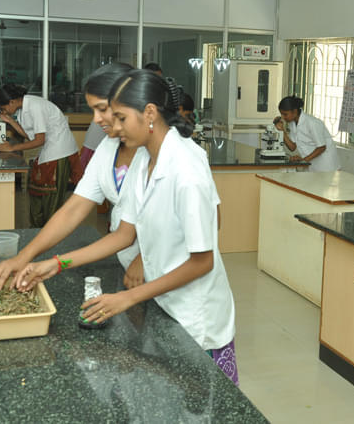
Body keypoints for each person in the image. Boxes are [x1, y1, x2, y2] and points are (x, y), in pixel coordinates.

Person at [15, 70, 237, 384]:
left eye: (118, 116)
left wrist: (127, 298)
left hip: (195, 313)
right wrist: (56, 263)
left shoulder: (186, 170)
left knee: (202, 405)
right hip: (161, 297)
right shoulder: (145, 159)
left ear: (149, 112)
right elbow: (123, 234)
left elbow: (203, 261)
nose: (111, 126)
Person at [0, 66, 140, 291]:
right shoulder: (108, 148)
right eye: (93, 111)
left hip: (171, 282)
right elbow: (74, 209)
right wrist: (27, 257)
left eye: (102, 109)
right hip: (127, 264)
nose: (96, 120)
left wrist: (142, 261)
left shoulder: (169, 154)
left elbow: (199, 240)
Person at [0, 84, 83, 227]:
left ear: (12, 102)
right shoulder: (23, 108)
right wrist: (10, 121)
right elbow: (29, 136)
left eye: (4, 108)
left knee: (51, 201)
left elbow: (39, 140)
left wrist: (12, 148)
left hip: (59, 153)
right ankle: (38, 232)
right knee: (37, 195)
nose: (4, 111)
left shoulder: (35, 106)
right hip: (48, 153)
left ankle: (50, 234)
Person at [273, 95, 340, 172]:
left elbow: (321, 147)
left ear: (294, 111)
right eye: (281, 114)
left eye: (285, 114)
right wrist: (282, 131)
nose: (282, 117)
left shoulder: (312, 123)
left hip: (327, 166)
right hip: (312, 165)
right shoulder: (293, 123)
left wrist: (303, 161)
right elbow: (292, 147)